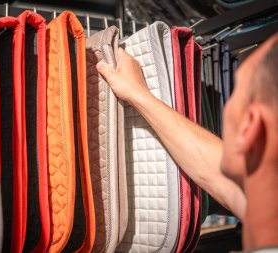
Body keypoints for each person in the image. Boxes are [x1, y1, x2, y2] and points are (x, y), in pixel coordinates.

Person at [96, 34, 278, 252]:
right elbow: (215, 172)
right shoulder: (264, 201)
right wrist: (137, 94)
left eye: (238, 93)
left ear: (251, 127)